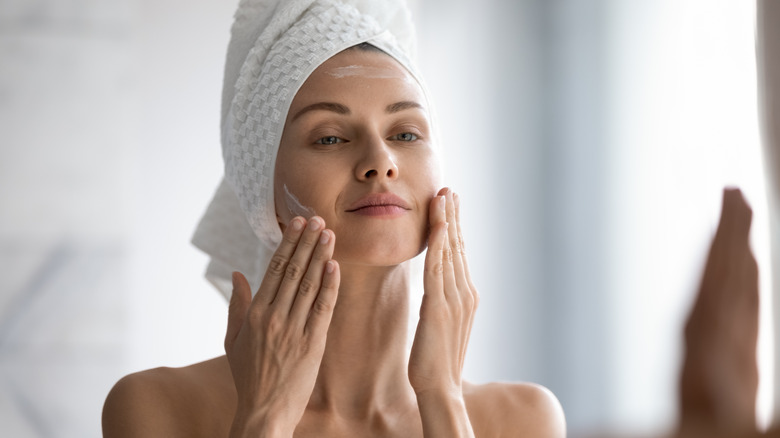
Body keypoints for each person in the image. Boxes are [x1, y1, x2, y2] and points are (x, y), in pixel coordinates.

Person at [101, 0, 566, 436]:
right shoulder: (158, 408)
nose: (381, 161)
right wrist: (266, 415)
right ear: (262, 188)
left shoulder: (522, 419)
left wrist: (442, 398)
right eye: (329, 138)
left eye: (406, 133)